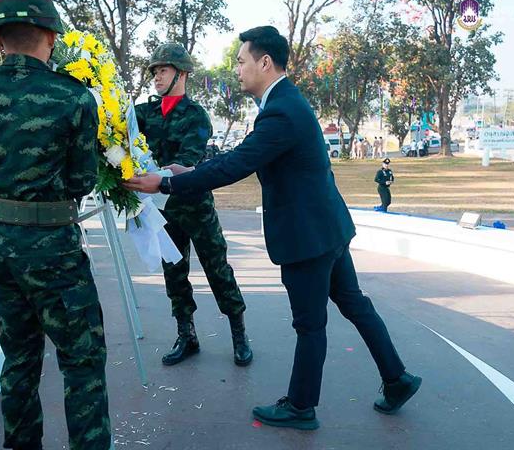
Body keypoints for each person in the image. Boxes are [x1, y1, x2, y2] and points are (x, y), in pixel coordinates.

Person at [124, 26, 421, 430]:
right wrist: (190, 170)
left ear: (265, 62)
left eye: (242, 61)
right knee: (355, 305)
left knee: (311, 324)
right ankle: (397, 378)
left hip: (307, 238)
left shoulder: (281, 110)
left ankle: (301, 407)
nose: (238, 69)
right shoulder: (284, 103)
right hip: (326, 228)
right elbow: (242, 154)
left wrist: (169, 182)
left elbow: (237, 164)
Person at [0, 0, 111, 449]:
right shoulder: (75, 98)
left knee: (19, 361)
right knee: (82, 364)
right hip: (55, 255)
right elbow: (83, 179)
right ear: (51, 34)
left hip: (1, 247)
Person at [135, 43, 252, 367]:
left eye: (164, 70)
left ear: (182, 73)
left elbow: (186, 160)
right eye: (155, 71)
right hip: (164, 209)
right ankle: (187, 335)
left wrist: (157, 175)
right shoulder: (144, 113)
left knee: (217, 269)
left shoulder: (196, 116)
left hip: (195, 204)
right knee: (174, 272)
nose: (157, 76)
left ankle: (239, 334)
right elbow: (122, 132)